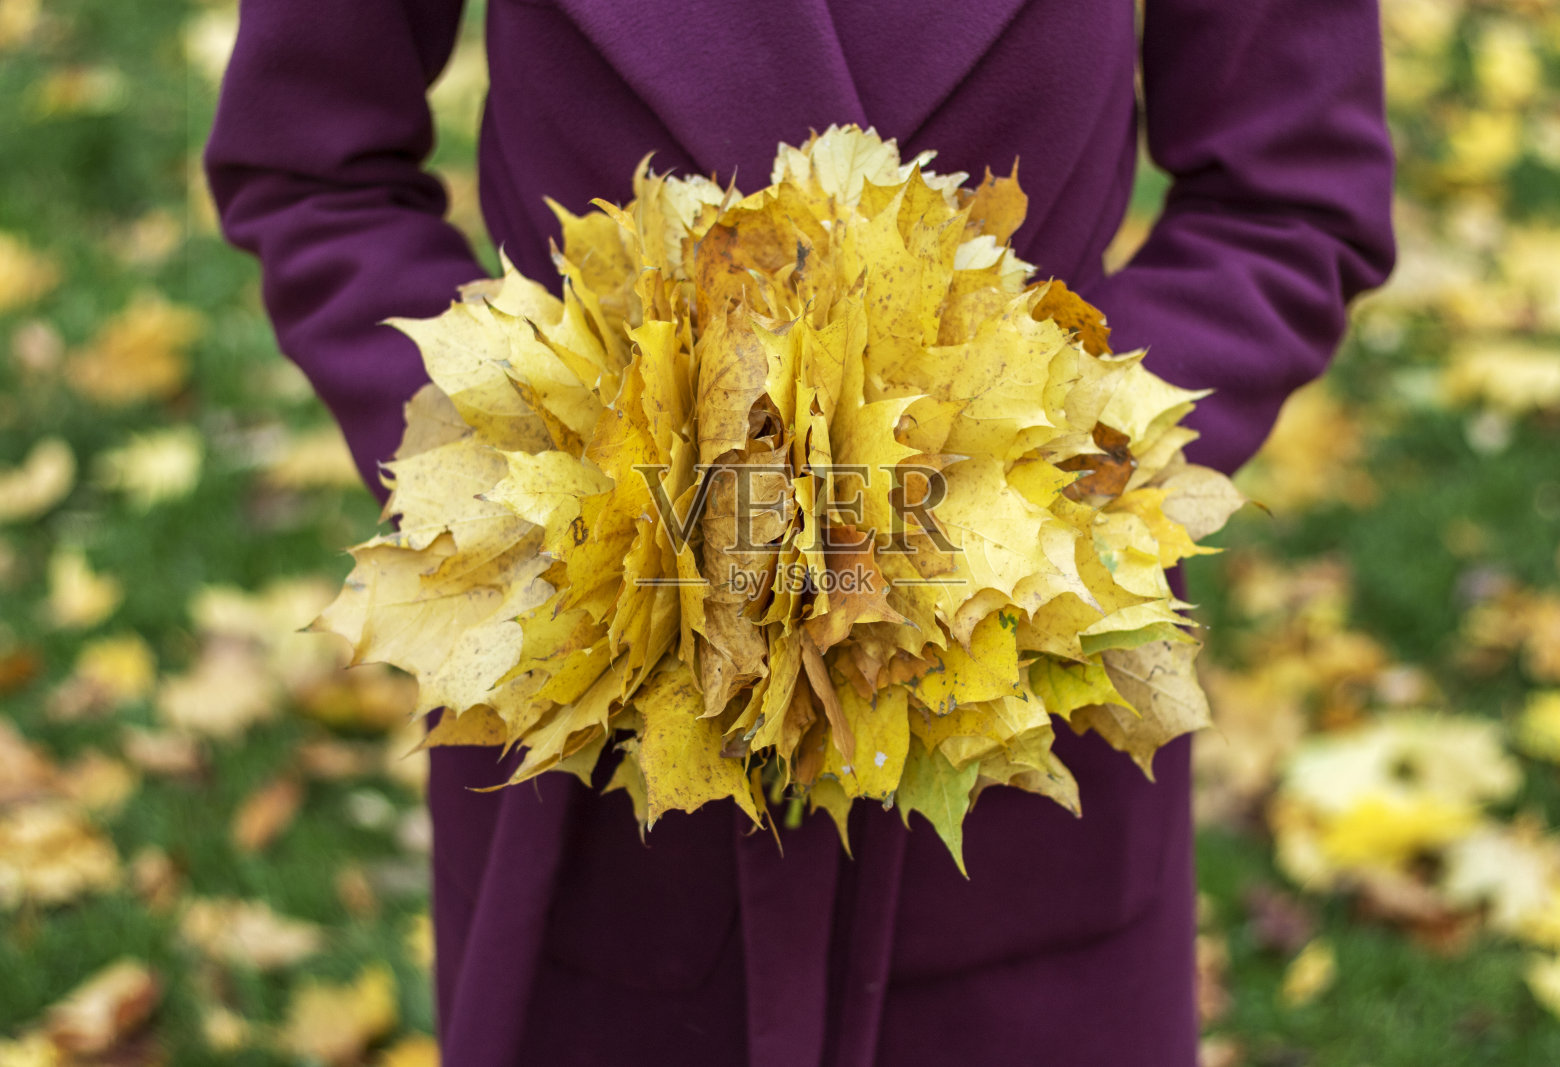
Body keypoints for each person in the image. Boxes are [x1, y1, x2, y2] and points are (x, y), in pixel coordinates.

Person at [205, 0, 1396, 1063]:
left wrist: (1034, 480)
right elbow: (311, 157)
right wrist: (527, 476)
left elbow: (1288, 192)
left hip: (1011, 692)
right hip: (591, 687)